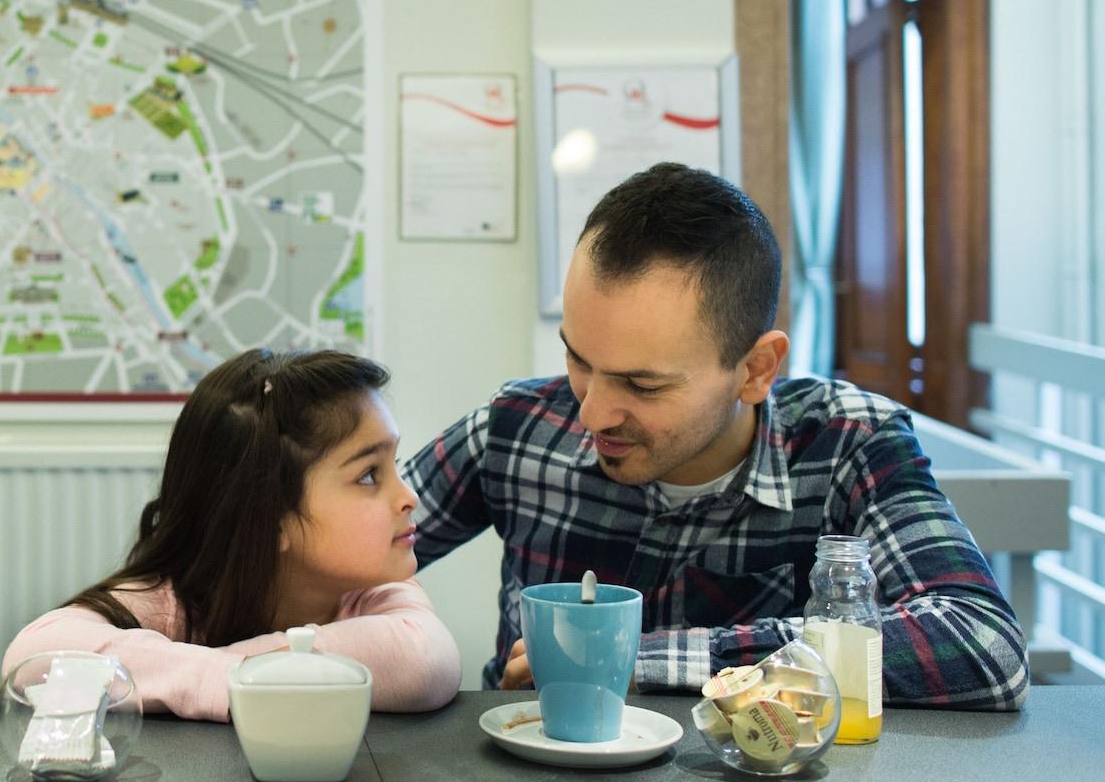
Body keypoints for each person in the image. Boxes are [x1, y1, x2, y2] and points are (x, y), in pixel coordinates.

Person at [405, 163, 1028, 709]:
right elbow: (347, 551)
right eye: (579, 360)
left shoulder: (847, 443)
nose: (591, 414)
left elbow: (984, 645)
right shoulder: (516, 428)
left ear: (755, 370)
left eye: (642, 385)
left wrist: (646, 661)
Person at [4, 348, 461, 721]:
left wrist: (242, 672)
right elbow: (33, 657)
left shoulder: (374, 592)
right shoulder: (175, 604)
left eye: (395, 464)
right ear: (271, 518)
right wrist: (233, 679)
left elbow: (424, 659)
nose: (409, 496)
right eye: (368, 475)